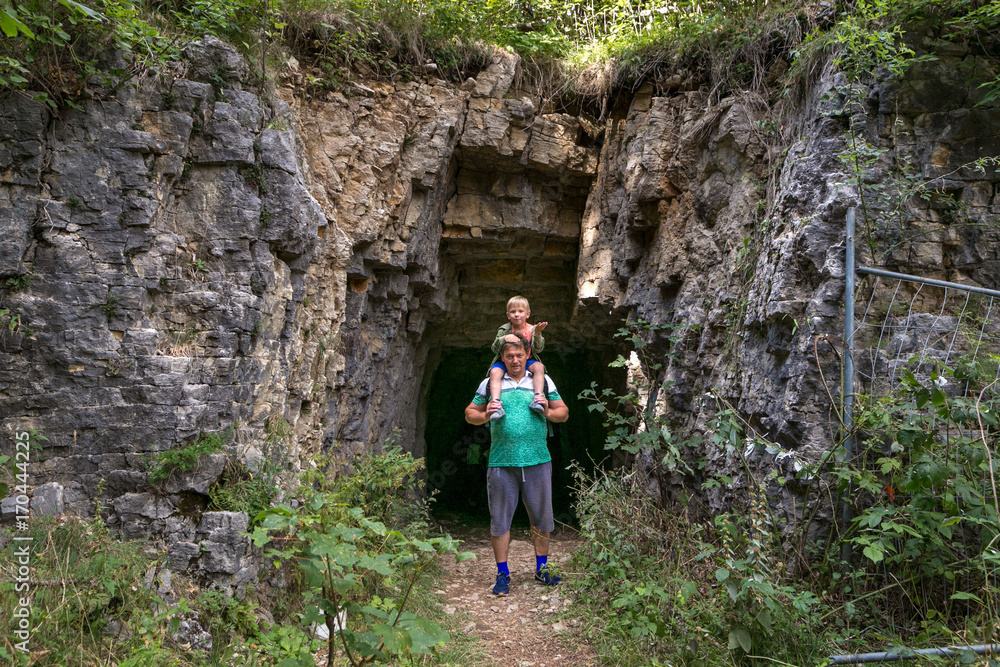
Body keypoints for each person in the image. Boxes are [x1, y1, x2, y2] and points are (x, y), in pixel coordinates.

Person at [464, 335, 569, 596]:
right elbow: (470, 414)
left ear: (527, 356)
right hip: (501, 462)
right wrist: (486, 413)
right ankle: (502, 574)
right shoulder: (490, 383)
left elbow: (563, 413)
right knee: (500, 521)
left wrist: (545, 411)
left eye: (519, 356)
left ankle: (541, 569)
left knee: (542, 519)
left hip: (538, 460)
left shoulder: (542, 381)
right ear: (502, 359)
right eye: (509, 356)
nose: (514, 360)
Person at [487, 296, 548, 421]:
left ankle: (538, 398)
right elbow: (494, 348)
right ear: (508, 315)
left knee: (539, 367)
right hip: (507, 361)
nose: (516, 315)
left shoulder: (532, 329)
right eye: (513, 312)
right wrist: (504, 339)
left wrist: (537, 334)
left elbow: (539, 349)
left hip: (528, 360)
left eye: (520, 311)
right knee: (494, 372)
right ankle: (496, 404)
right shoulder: (504, 330)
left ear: (527, 314)